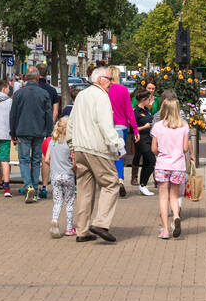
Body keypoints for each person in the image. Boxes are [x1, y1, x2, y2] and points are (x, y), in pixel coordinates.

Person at [65, 68, 124, 242]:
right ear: (99, 79)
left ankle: (82, 230)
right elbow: (105, 124)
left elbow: (72, 122)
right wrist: (117, 144)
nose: (111, 82)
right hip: (96, 148)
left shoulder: (82, 95)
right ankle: (101, 222)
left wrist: (72, 145)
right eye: (109, 79)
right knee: (111, 183)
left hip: (80, 147)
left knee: (84, 189)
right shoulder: (102, 97)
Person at [9, 67, 53, 203]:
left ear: (25, 78)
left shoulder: (19, 93)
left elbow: (13, 114)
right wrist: (49, 131)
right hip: (39, 131)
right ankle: (34, 188)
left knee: (23, 159)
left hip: (22, 130)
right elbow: (48, 114)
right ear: (38, 77)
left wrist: (13, 132)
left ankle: (28, 187)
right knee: (36, 160)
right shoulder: (44, 93)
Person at [151, 96, 191, 239]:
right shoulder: (184, 126)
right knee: (174, 196)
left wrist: (160, 153)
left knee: (163, 198)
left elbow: (153, 148)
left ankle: (165, 230)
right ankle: (176, 216)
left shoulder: (158, 126)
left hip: (162, 165)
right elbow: (185, 148)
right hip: (178, 165)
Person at [106, 64, 139, 198]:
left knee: (108, 155)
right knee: (119, 154)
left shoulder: (105, 90)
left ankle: (109, 182)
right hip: (121, 126)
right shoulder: (123, 90)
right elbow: (129, 111)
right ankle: (120, 179)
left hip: (107, 126)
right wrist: (135, 129)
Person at [44, 117, 75, 238]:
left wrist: (54, 166)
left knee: (57, 202)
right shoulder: (70, 143)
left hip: (55, 176)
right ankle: (68, 228)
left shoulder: (52, 142)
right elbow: (74, 162)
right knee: (69, 202)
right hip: (68, 175)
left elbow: (46, 160)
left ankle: (55, 220)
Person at [130, 90, 156, 195]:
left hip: (148, 139)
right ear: (144, 100)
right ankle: (143, 184)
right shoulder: (135, 112)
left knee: (147, 162)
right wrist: (144, 127)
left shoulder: (146, 110)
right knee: (151, 161)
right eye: (149, 99)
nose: (150, 101)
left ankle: (143, 185)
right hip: (140, 139)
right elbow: (132, 129)